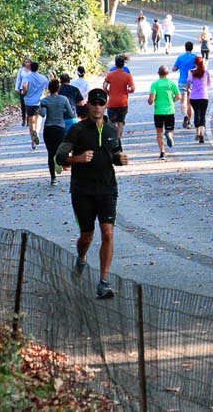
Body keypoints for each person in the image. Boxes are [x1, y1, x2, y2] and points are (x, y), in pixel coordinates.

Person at [58, 88, 128, 299]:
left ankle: (103, 282)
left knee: (107, 233)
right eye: (94, 103)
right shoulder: (77, 130)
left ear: (106, 105)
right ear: (88, 105)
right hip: (83, 190)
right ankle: (81, 259)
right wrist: (76, 159)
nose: (97, 107)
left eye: (101, 103)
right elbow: (59, 157)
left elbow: (114, 153)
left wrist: (120, 159)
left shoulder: (111, 129)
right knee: (87, 236)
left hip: (107, 189)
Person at [40, 78, 76, 186]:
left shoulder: (44, 101)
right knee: (61, 150)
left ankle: (53, 178)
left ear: (49, 89)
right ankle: (60, 165)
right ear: (58, 88)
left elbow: (42, 114)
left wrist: (40, 109)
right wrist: (63, 110)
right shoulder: (64, 99)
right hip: (60, 128)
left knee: (50, 153)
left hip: (48, 129)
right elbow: (71, 114)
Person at [147, 65, 179, 160]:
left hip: (158, 112)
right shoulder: (171, 84)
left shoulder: (155, 84)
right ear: (167, 73)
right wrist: (172, 101)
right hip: (170, 111)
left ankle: (162, 152)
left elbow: (151, 99)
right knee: (170, 129)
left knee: (159, 132)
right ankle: (169, 135)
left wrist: (150, 101)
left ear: (158, 73)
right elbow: (178, 96)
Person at [102, 55, 135, 141]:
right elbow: (133, 88)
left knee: (113, 123)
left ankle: (114, 140)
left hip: (112, 102)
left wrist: (108, 92)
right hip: (123, 102)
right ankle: (118, 140)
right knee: (120, 123)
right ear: (123, 64)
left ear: (115, 64)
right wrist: (126, 91)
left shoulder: (110, 75)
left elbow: (104, 86)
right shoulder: (127, 75)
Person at [21, 61, 50, 150]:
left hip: (29, 102)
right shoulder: (43, 78)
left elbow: (24, 86)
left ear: (30, 68)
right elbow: (48, 90)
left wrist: (24, 92)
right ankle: (36, 133)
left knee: (31, 122)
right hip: (40, 101)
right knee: (38, 120)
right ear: (38, 68)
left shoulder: (27, 77)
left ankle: (33, 142)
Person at [172, 41, 198, 129]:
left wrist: (179, 66)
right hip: (192, 82)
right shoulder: (195, 57)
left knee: (183, 101)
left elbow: (174, 68)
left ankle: (185, 115)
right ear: (192, 48)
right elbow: (199, 68)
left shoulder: (180, 57)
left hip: (182, 81)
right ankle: (189, 122)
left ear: (185, 48)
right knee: (190, 103)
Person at [187, 57, 212, 143]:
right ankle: (202, 133)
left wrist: (188, 89)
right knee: (202, 115)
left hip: (194, 97)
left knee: (196, 114)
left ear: (195, 63)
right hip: (204, 96)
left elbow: (188, 82)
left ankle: (197, 133)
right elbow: (209, 84)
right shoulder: (206, 72)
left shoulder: (191, 72)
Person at [14, 57, 32, 126]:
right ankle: (23, 118)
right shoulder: (21, 70)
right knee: (23, 104)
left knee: (29, 104)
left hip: (30, 89)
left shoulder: (32, 70)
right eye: (26, 62)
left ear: (30, 63)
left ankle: (28, 119)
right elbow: (18, 79)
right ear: (24, 63)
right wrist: (17, 88)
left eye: (28, 62)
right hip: (22, 88)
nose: (27, 63)